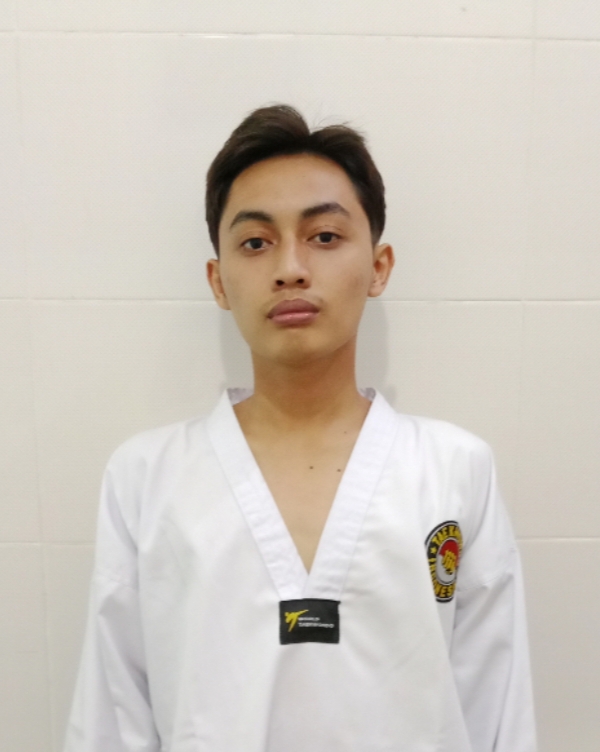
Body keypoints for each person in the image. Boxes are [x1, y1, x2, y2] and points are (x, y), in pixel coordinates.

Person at [64, 105, 537, 752]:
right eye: (256, 243)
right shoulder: (146, 477)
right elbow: (112, 716)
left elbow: (496, 709)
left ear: (379, 266)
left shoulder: (455, 469)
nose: (290, 267)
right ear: (218, 281)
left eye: (324, 236)